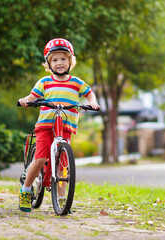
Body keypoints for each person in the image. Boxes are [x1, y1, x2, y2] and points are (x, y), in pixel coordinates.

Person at [18, 38, 99, 212]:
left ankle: (62, 199)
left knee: (63, 165)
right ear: (48, 63)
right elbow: (32, 97)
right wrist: (26, 100)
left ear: (70, 61)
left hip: (65, 127)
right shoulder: (45, 82)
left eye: (63, 59)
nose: (59, 63)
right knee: (40, 158)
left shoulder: (76, 82)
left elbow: (90, 94)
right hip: (46, 125)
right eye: (54, 60)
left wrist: (92, 103)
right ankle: (25, 190)